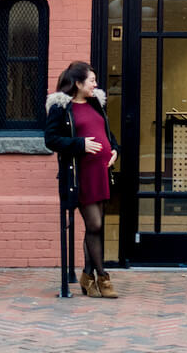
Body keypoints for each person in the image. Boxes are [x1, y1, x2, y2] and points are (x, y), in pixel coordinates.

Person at [44, 60, 121, 298]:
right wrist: (80, 144)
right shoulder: (61, 108)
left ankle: (88, 277)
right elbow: (51, 140)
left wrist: (115, 149)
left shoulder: (96, 103)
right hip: (81, 175)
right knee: (95, 225)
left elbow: (106, 131)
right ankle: (101, 275)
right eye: (92, 80)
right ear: (78, 83)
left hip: (100, 172)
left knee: (94, 227)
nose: (96, 84)